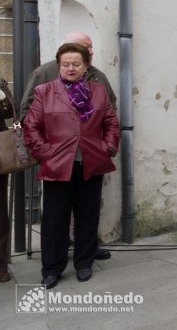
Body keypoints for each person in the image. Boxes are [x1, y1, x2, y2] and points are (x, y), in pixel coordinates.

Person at [23, 43, 120, 289]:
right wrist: (45, 153)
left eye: (76, 64)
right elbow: (31, 127)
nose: (70, 68)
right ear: (59, 66)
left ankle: (84, 263)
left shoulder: (98, 92)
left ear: (85, 66)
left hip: (91, 161)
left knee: (88, 215)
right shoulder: (45, 91)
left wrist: (107, 147)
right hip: (58, 164)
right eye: (65, 64)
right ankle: (52, 269)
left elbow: (111, 123)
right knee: (55, 220)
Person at [21, 31, 117, 119]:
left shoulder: (99, 76)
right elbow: (27, 111)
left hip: (93, 137)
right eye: (87, 47)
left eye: (91, 47)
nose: (91, 51)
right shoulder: (44, 73)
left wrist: (108, 137)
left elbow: (111, 110)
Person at [0, 81, 15, 283]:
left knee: (0, 212)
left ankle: (1, 265)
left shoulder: (0, 82)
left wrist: (3, 99)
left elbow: (12, 112)